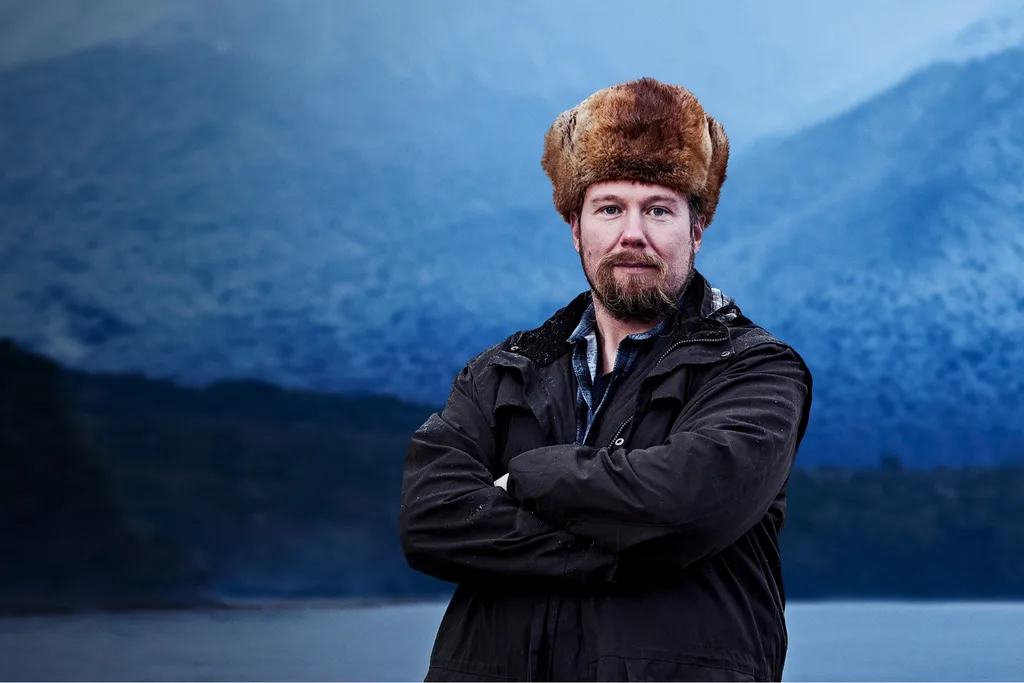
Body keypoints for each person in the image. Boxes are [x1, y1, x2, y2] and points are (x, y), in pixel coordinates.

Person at [399, 77, 813, 682]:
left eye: (660, 209)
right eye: (610, 207)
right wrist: (618, 550)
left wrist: (530, 476)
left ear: (697, 229)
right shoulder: (500, 374)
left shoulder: (757, 371)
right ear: (576, 228)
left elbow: (687, 504)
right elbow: (430, 520)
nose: (633, 234)